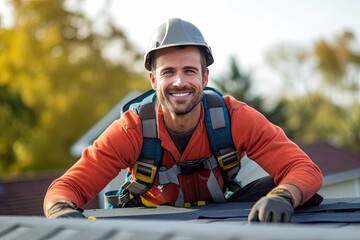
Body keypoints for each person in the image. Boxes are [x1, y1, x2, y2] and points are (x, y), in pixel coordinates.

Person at [44, 18, 323, 223]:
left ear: (205, 77)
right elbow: (64, 189)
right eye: (168, 72)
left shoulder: (234, 119)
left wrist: (283, 196)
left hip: (221, 223)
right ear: (153, 80)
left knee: (284, 191)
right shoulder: (132, 130)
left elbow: (304, 169)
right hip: (148, 228)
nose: (180, 82)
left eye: (189, 71)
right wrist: (61, 212)